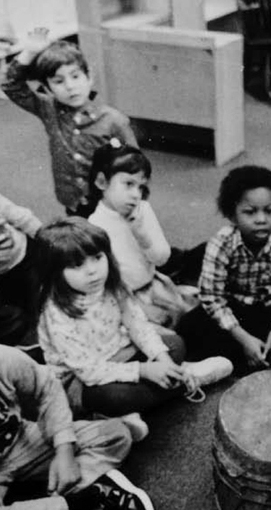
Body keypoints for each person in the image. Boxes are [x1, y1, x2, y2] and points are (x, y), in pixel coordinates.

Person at [0, 345, 158, 510]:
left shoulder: (4, 358)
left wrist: (64, 451)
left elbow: (46, 387)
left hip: (20, 441)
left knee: (115, 435)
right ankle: (88, 502)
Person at [36, 217, 189, 424]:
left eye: (97, 257)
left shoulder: (113, 285)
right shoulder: (57, 316)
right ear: (55, 273)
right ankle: (184, 381)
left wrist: (163, 360)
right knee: (114, 398)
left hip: (120, 352)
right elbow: (89, 372)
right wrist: (144, 370)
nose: (92, 270)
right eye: (78, 264)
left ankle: (143, 402)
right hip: (81, 380)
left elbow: (138, 326)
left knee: (174, 344)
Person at [177, 166, 271, 371]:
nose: (261, 219)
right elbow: (212, 298)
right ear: (232, 215)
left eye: (269, 211)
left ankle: (254, 355)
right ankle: (250, 353)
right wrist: (243, 338)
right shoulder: (221, 243)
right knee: (189, 327)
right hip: (235, 311)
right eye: (250, 212)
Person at [0, 29, 138, 217]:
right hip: (73, 201)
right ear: (47, 88)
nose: (70, 86)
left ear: (89, 77)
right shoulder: (48, 109)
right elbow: (11, 85)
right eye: (58, 81)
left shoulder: (113, 120)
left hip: (109, 203)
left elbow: (135, 166)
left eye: (75, 76)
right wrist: (30, 52)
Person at [88, 140, 196, 329]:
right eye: (128, 184)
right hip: (125, 302)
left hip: (154, 286)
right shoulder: (94, 226)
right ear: (101, 182)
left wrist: (142, 235)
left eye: (140, 186)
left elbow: (162, 259)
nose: (136, 194)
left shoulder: (142, 210)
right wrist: (141, 308)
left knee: (189, 322)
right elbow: (105, 286)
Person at [0, 194, 42, 351]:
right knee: (15, 314)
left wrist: (45, 236)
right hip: (2, 274)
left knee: (37, 302)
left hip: (24, 255)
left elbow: (23, 218)